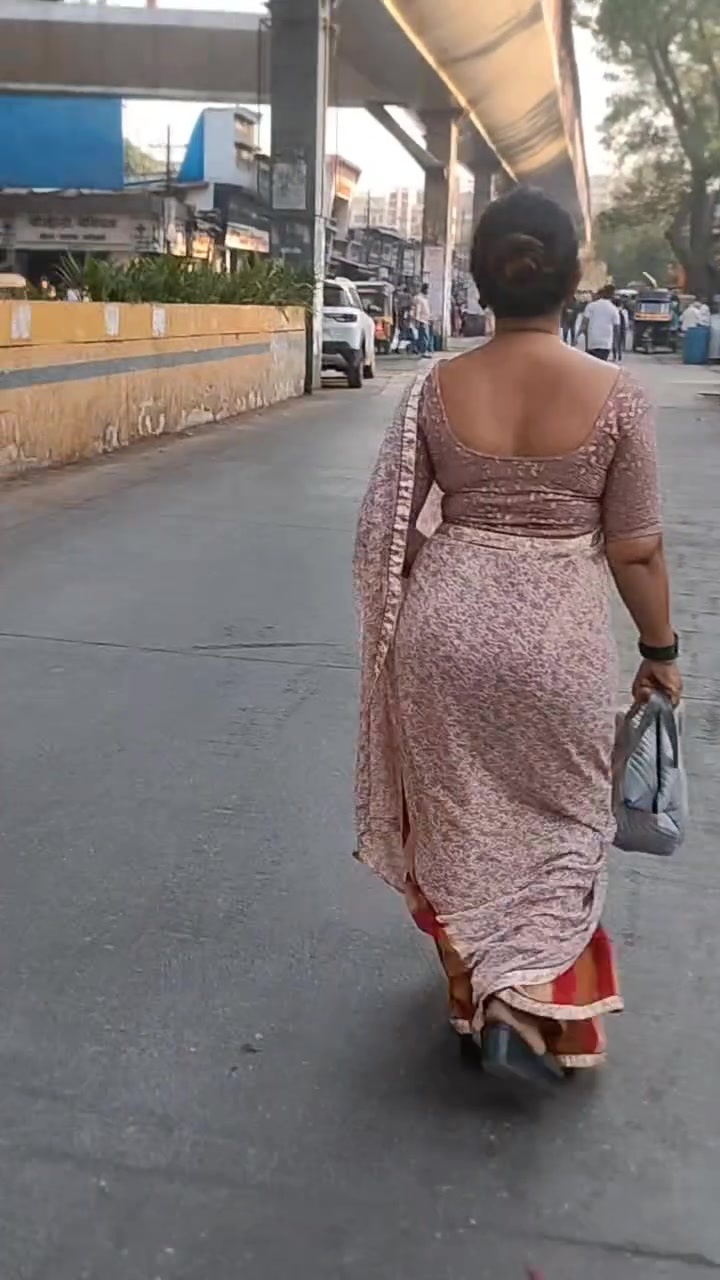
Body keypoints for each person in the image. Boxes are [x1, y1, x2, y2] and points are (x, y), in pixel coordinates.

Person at [354, 187, 680, 1090]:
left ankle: (481, 995)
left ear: (480, 281)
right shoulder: (618, 398)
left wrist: (434, 599)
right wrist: (661, 654)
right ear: (572, 282)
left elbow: (390, 528)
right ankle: (519, 1000)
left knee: (461, 818)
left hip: (444, 633)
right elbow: (637, 549)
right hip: (557, 642)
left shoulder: (433, 388)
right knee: (564, 823)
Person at [582, 284, 620, 360]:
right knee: (601, 363)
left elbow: (584, 325)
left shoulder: (591, 306)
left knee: (591, 364)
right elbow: (616, 328)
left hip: (592, 342)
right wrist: (615, 344)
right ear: (612, 295)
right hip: (606, 344)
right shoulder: (614, 309)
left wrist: (584, 339)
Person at [412, 282, 432, 358]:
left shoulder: (425, 298)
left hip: (425, 320)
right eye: (428, 290)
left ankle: (420, 350)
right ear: (425, 289)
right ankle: (423, 352)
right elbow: (418, 310)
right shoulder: (419, 298)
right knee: (424, 337)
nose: (429, 291)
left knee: (424, 337)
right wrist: (417, 320)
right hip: (421, 320)